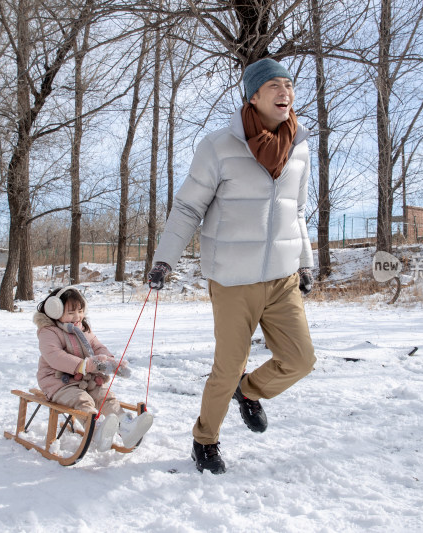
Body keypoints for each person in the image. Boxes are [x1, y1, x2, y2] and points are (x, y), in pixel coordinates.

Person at [148, 58, 316, 474]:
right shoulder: (218, 146)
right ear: (253, 95)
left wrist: (306, 263)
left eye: (289, 86)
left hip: (282, 277)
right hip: (233, 279)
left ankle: (251, 390)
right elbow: (188, 206)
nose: (285, 93)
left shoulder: (300, 147)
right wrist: (164, 259)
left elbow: (299, 212)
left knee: (300, 360)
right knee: (227, 367)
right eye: (275, 86)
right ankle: (205, 440)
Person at [35, 287, 153, 452]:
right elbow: (55, 356)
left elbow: (97, 347)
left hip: (86, 379)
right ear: (55, 311)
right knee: (82, 399)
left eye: (80, 311)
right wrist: (84, 365)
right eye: (70, 312)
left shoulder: (82, 329)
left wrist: (110, 361)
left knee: (106, 395)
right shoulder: (49, 332)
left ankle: (125, 426)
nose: (77, 317)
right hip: (59, 382)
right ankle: (97, 430)